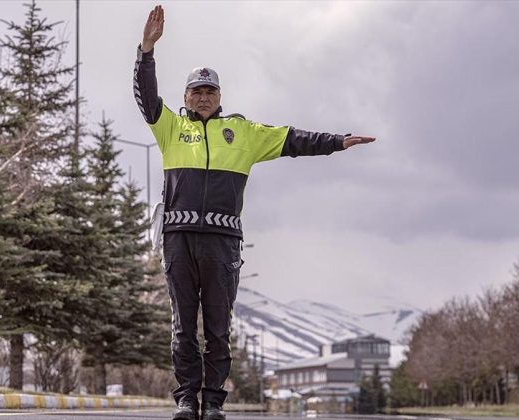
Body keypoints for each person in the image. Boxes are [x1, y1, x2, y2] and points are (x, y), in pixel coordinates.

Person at [133, 5, 376, 420]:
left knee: (217, 329)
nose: (204, 97)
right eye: (197, 91)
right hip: (178, 239)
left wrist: (337, 141)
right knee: (182, 327)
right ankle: (186, 400)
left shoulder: (243, 133)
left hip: (222, 244)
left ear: (220, 98)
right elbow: (144, 93)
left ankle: (212, 403)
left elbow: (293, 139)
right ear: (186, 97)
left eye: (210, 92)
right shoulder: (170, 127)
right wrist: (147, 50)